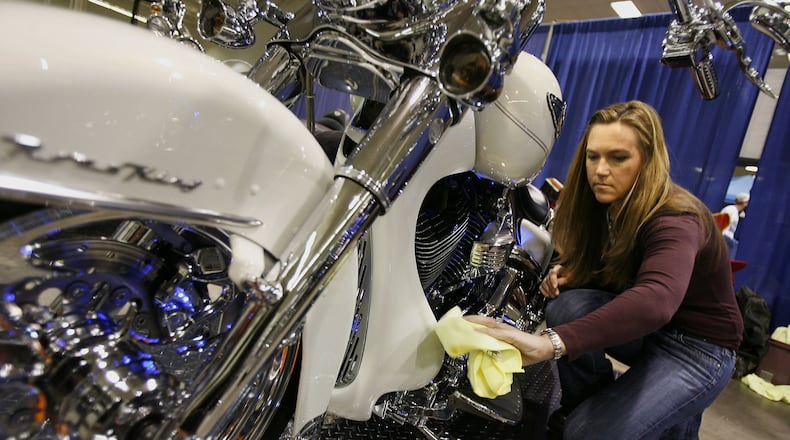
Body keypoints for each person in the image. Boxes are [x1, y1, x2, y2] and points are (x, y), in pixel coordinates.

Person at [466, 101, 744, 439]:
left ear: (648, 161)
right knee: (567, 304)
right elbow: (627, 270)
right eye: (593, 156)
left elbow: (656, 299)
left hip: (698, 349)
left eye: (618, 158)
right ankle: (609, 408)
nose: (600, 170)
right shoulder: (607, 205)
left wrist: (550, 343)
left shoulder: (675, 218)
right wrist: (577, 274)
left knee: (586, 433)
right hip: (653, 331)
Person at [719, 192, 750, 258]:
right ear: (744, 203)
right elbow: (723, 226)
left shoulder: (736, 211)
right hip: (723, 240)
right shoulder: (731, 210)